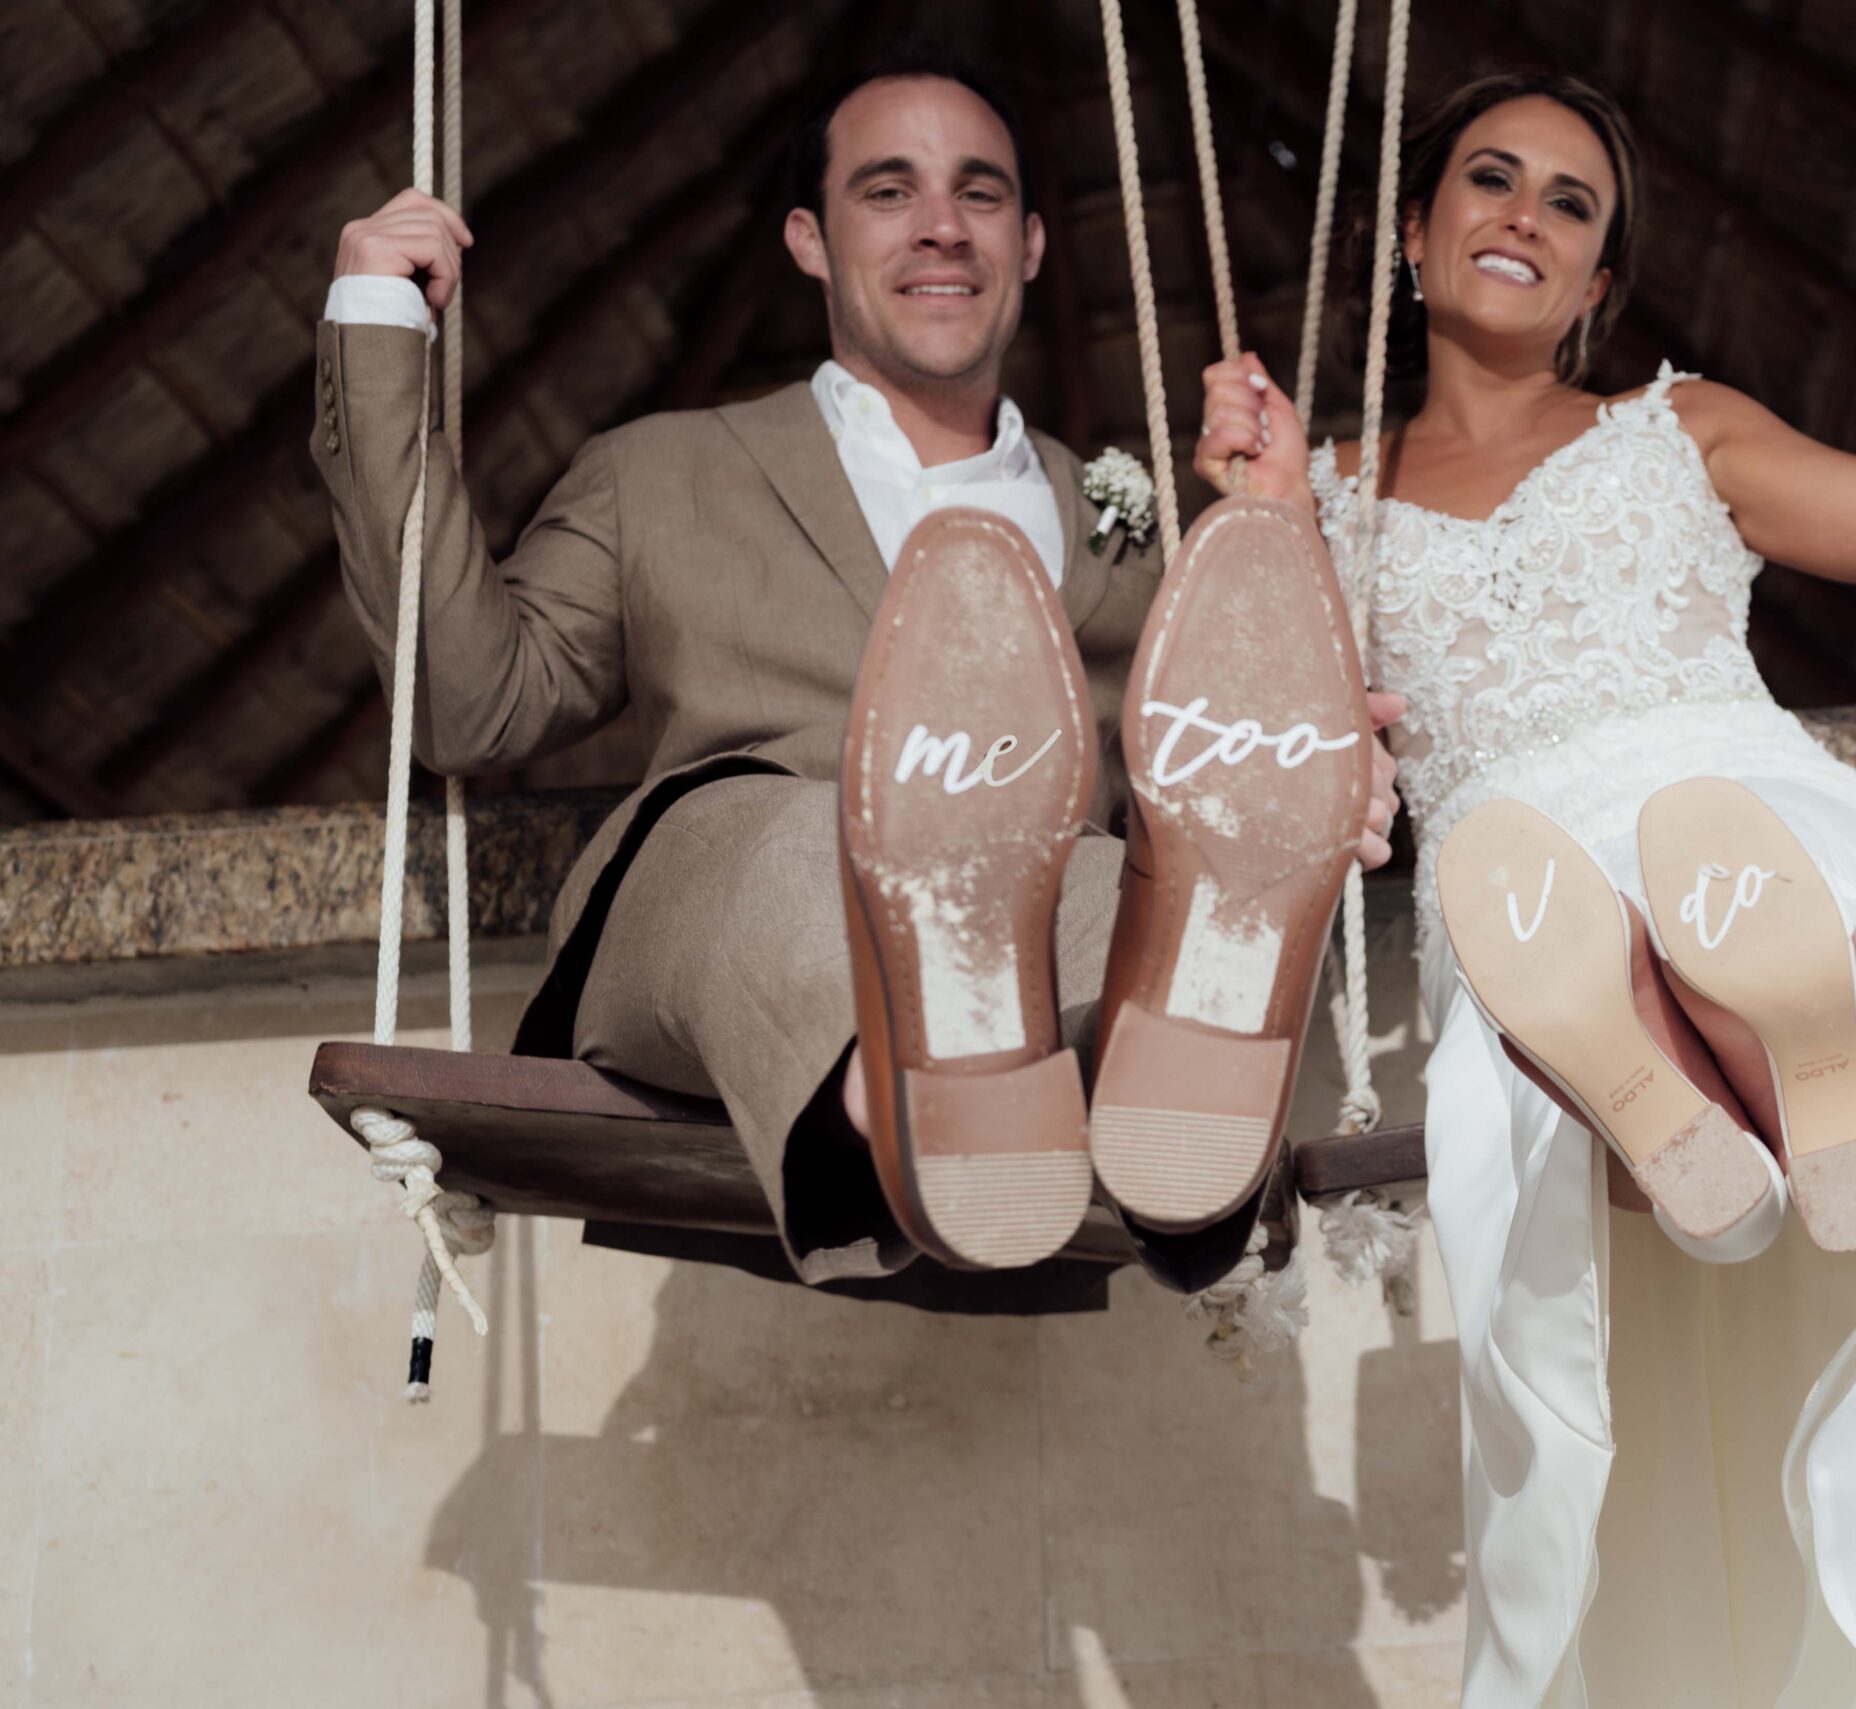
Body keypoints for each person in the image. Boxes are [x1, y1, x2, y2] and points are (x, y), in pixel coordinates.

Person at [1196, 69, 1856, 1708]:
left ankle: (1765, 1055)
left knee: (1728, 859)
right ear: (1413, 231)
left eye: (1571, 202)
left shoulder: (1683, 426)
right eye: (1491, 177)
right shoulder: (1319, 504)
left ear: (1600, 286)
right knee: (1533, 967)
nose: (1523, 212)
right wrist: (1241, 531)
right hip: (1512, 875)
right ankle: (1676, 1081)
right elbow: (1264, 775)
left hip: (1734, 809)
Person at [313, 45, 1400, 1291]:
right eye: (888, 192)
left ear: (1034, 243)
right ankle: (889, 1094)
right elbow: (472, 703)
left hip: (1042, 921)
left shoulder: (1138, 524)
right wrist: (379, 325)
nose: (941, 226)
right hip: (742, 889)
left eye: (979, 193)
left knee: (1128, 877)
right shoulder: (661, 471)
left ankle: (1176, 1136)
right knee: (804, 840)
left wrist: (1291, 637)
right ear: (808, 239)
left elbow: (1257, 751)